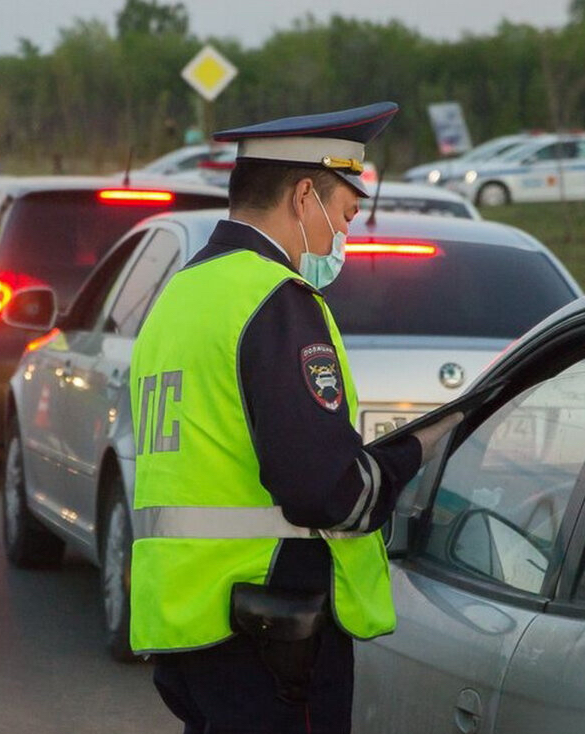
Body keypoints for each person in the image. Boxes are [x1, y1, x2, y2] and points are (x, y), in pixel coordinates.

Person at [129, 103, 464, 733]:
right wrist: (418, 450)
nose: (344, 236)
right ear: (304, 195)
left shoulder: (180, 295)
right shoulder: (276, 300)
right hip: (272, 632)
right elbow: (326, 490)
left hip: (185, 620)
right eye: (344, 215)